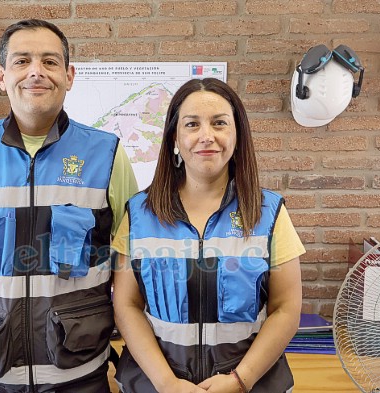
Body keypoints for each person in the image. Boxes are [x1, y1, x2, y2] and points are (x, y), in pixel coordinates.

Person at [0, 19, 138, 393]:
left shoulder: (107, 154)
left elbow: (128, 260)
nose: (35, 72)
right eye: (21, 61)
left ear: (69, 75)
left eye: (49, 61)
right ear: (1, 75)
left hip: (77, 373)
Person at [112, 78, 304, 393]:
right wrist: (167, 384)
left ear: (237, 135)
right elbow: (126, 305)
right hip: (155, 384)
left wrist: (241, 380)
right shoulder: (139, 214)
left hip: (250, 383)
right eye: (192, 124)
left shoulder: (269, 212)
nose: (206, 136)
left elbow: (287, 307)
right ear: (174, 137)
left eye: (219, 123)